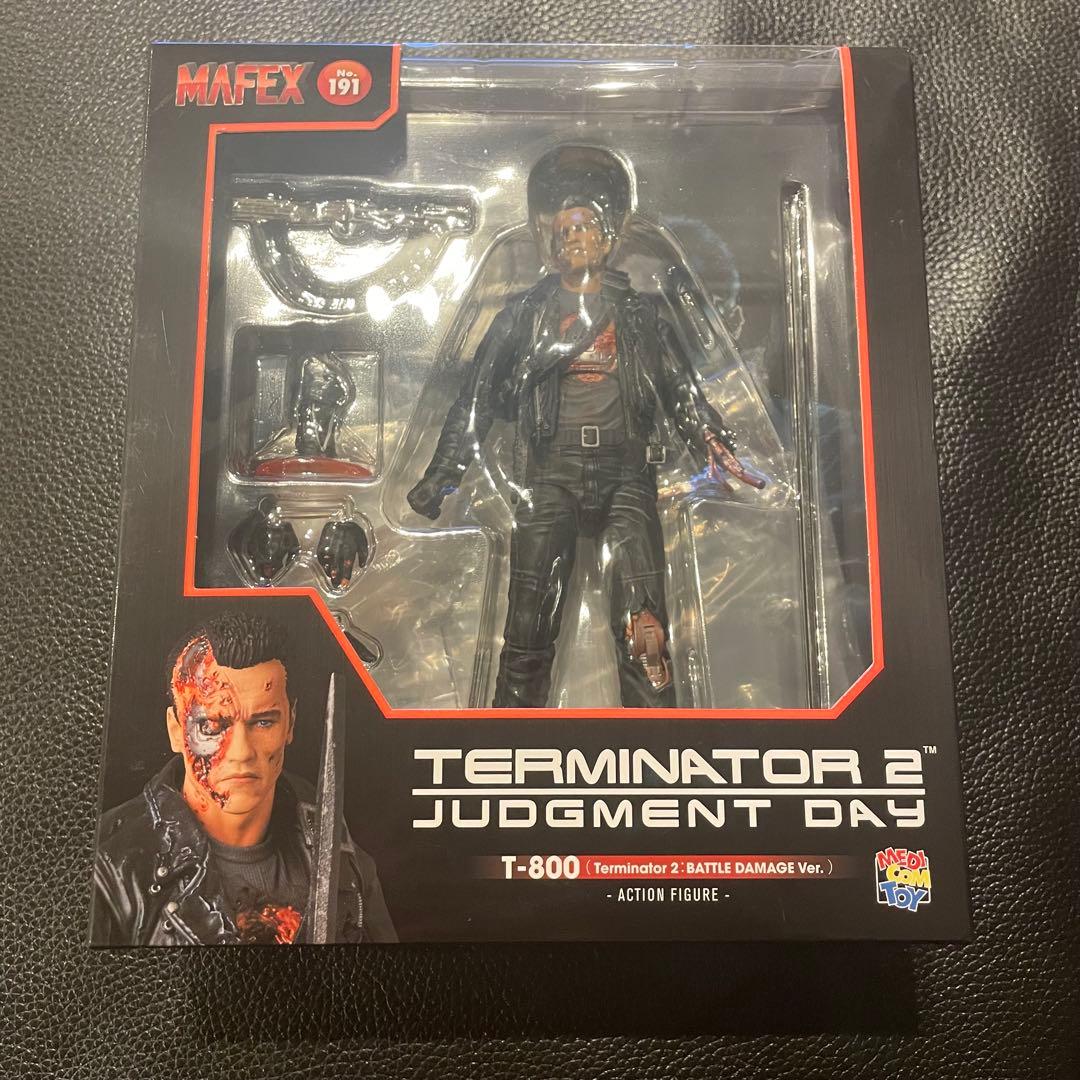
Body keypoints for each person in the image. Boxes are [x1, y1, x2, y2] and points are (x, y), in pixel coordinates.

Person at [407, 144, 763, 709]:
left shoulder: (640, 315)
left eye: (584, 228)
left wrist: (712, 441)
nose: (574, 238)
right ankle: (506, 742)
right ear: (550, 245)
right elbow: (476, 400)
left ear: (606, 238)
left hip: (627, 476)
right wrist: (442, 475)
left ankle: (659, 747)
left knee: (646, 638)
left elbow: (680, 388)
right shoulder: (523, 316)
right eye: (564, 231)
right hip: (550, 476)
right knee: (526, 633)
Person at [91, 611, 395, 944]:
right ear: (176, 731)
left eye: (263, 722)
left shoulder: (339, 852)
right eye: (211, 725)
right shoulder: (109, 868)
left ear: (290, 723)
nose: (240, 752)